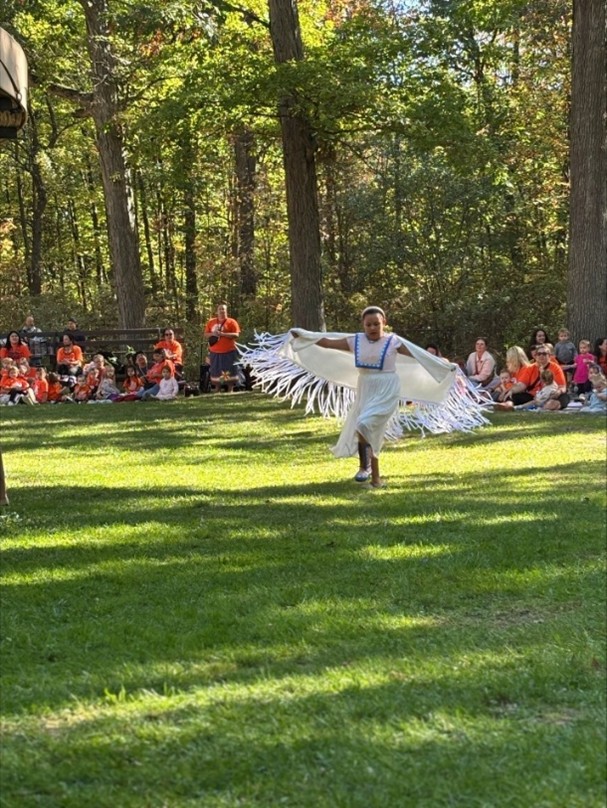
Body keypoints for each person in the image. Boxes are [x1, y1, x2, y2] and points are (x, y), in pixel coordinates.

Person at [496, 346, 569, 411]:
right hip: (534, 396)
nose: (541, 356)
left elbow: (562, 387)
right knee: (514, 395)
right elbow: (522, 385)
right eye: (539, 354)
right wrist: (512, 390)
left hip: (552, 394)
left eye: (544, 354)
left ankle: (552, 405)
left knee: (563, 397)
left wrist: (558, 393)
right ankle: (508, 405)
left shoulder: (556, 368)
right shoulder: (530, 368)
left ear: (549, 356)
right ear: (535, 356)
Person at [204, 302, 241, 392]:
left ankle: (230, 388)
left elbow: (236, 334)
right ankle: (217, 388)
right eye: (220, 309)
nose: (221, 311)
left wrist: (223, 334)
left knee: (229, 370)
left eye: (223, 309)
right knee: (216, 371)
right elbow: (205, 334)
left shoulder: (232, 322)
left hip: (229, 351)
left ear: (226, 311)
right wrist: (214, 333)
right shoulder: (211, 322)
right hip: (215, 351)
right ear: (217, 311)